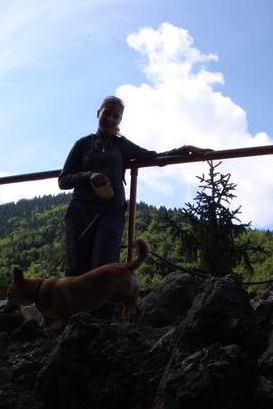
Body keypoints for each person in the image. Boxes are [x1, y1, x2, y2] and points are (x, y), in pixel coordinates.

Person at [58, 95, 211, 281]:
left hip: (111, 212)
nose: (111, 119)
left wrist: (185, 149)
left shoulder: (121, 145)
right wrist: (88, 175)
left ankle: (104, 301)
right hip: (81, 213)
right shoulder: (83, 144)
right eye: (107, 113)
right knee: (76, 270)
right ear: (98, 113)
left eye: (116, 116)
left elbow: (154, 157)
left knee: (104, 267)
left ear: (120, 120)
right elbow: (63, 180)